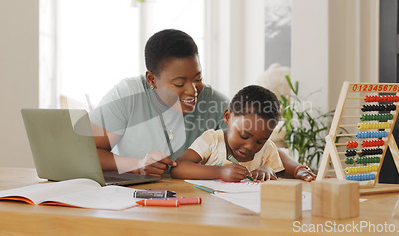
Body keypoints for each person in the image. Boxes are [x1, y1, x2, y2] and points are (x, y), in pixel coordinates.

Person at [90, 29, 316, 181]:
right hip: (135, 199)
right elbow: (88, 153)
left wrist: (299, 168)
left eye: (197, 78)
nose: (193, 90)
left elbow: (265, 147)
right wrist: (136, 164)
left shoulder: (217, 103)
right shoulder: (127, 95)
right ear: (151, 80)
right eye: (179, 83)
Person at [170, 85, 283, 182]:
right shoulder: (212, 140)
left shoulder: (267, 148)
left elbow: (281, 173)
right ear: (227, 117)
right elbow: (178, 168)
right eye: (244, 136)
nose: (250, 146)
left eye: (260, 142)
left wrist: (268, 170)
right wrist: (220, 172)